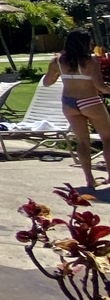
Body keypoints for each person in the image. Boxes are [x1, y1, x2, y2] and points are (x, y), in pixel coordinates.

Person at [41, 27, 109, 188]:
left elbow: (47, 82)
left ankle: (89, 180)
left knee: (82, 142)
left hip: (69, 103)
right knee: (107, 139)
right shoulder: (90, 61)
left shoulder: (57, 61)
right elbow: (100, 86)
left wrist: (59, 73)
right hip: (89, 101)